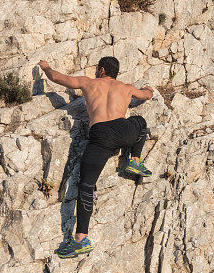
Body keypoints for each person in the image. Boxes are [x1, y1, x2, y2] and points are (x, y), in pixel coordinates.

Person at [37, 56, 154, 259]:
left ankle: (81, 238)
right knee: (140, 122)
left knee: (86, 185)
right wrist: (151, 90)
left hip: (100, 136)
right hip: (124, 130)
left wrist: (46, 68)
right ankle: (135, 161)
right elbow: (145, 95)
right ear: (115, 72)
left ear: (100, 71)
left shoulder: (88, 83)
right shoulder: (126, 87)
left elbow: (57, 78)